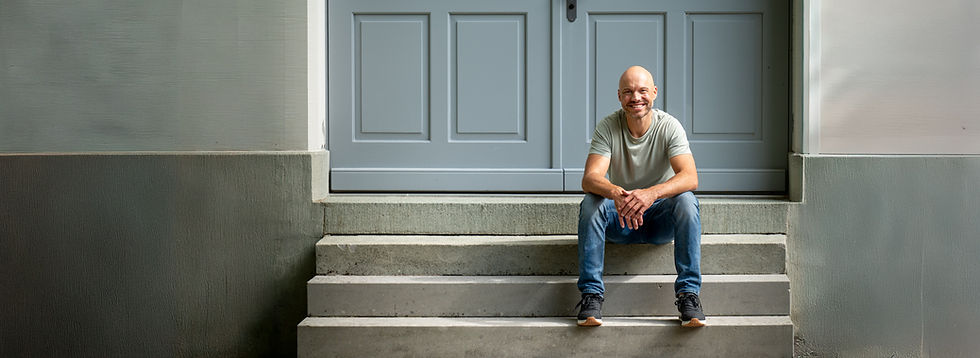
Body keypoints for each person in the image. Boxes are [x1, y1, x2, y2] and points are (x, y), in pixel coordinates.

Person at [575, 65, 705, 328]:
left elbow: (690, 177)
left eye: (642, 90)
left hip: (659, 220)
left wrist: (650, 194)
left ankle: (689, 295)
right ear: (619, 96)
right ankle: (591, 296)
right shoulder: (608, 126)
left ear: (654, 93)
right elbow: (590, 178)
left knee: (687, 200)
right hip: (620, 219)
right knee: (592, 202)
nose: (636, 98)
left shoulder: (669, 126)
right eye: (628, 92)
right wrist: (616, 194)